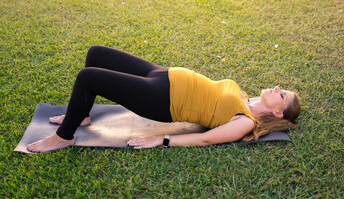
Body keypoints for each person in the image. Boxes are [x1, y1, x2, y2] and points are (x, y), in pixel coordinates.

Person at [27, 45, 301, 153]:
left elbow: (205, 138)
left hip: (162, 99)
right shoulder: (246, 100)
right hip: (162, 74)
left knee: (88, 76)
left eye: (282, 94)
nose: (277, 88)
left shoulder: (245, 122)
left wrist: (163, 139)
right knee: (96, 54)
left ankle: (65, 136)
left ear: (278, 113)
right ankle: (82, 115)